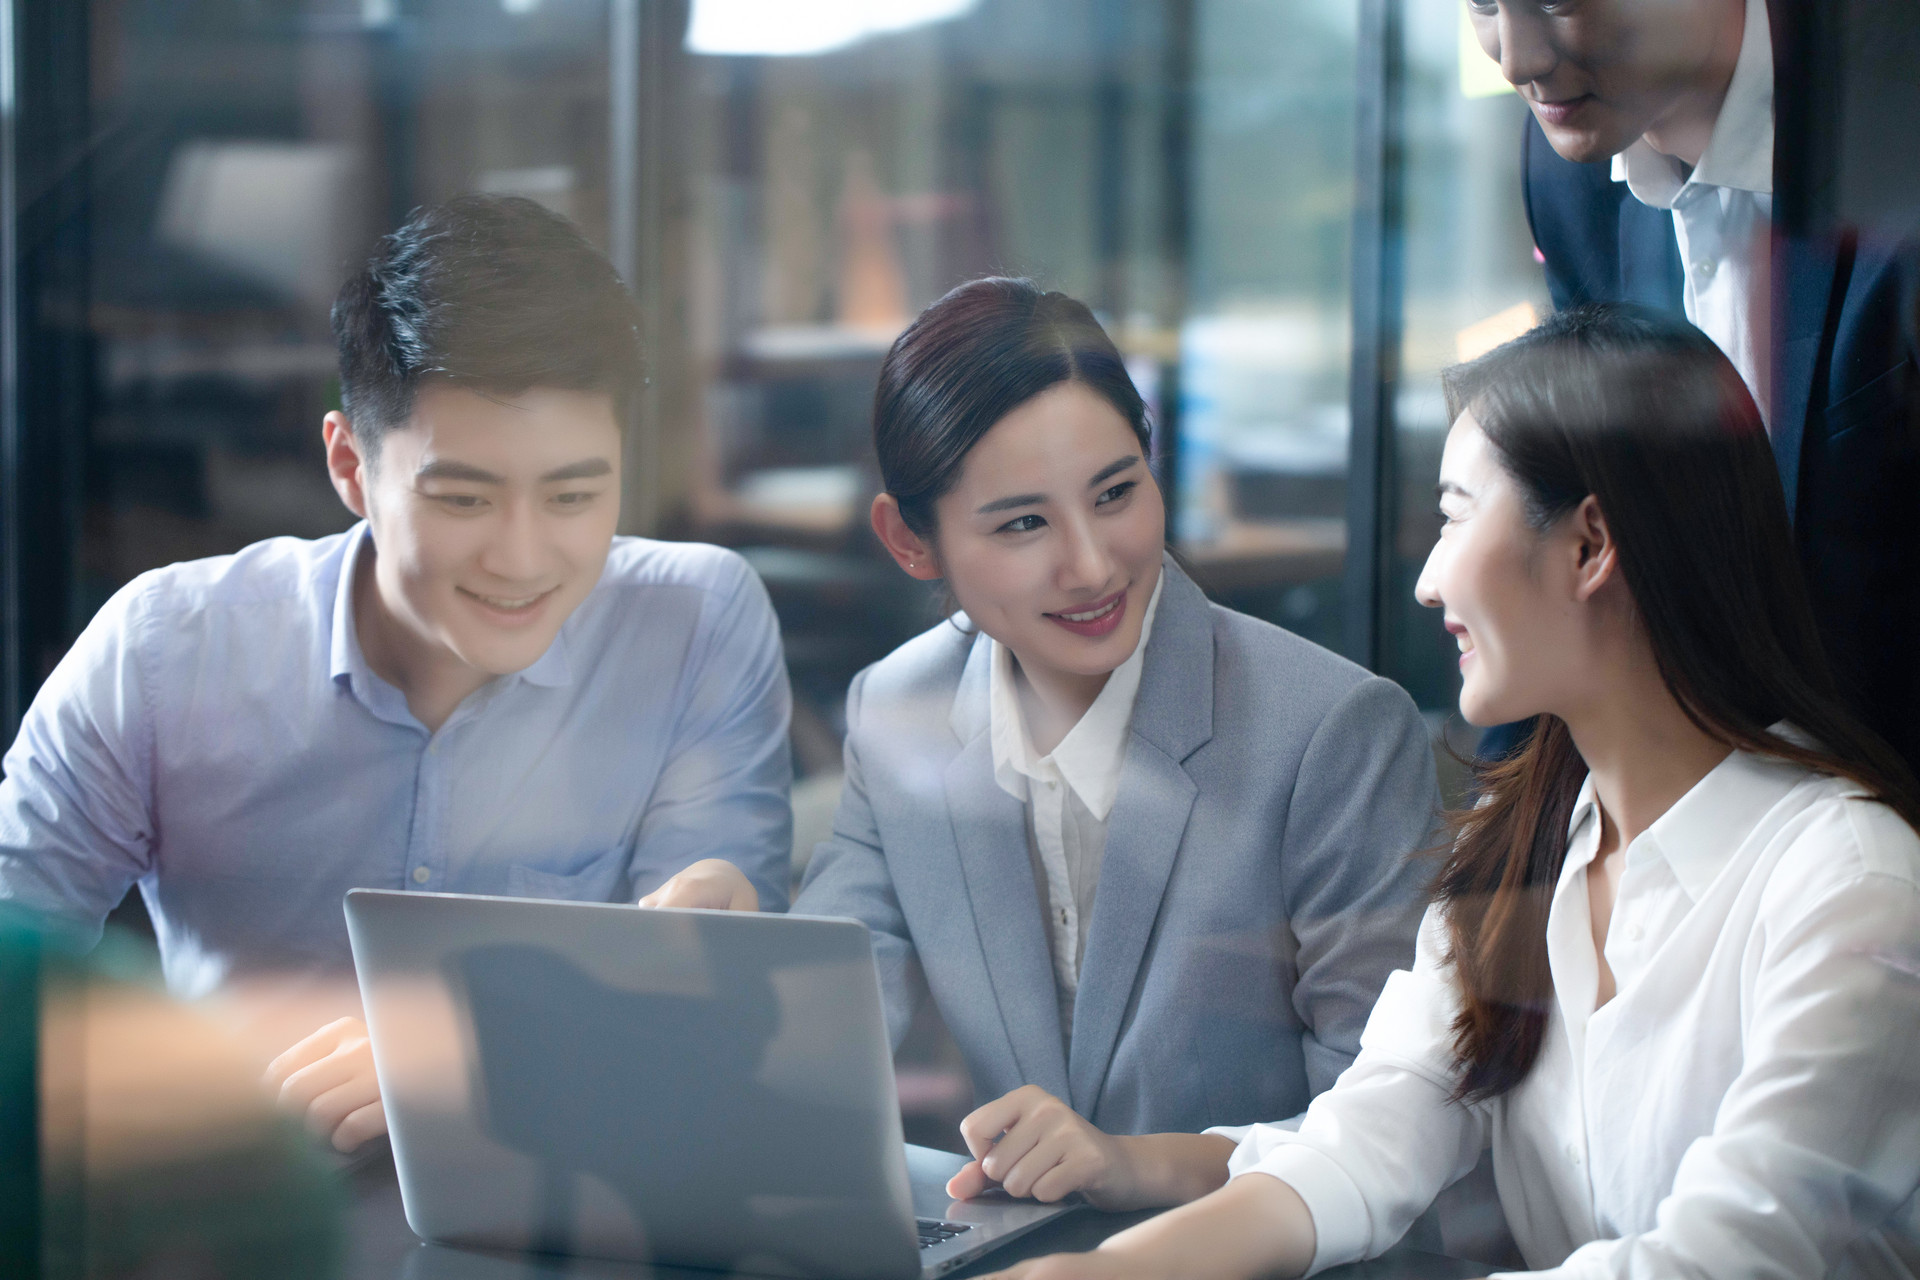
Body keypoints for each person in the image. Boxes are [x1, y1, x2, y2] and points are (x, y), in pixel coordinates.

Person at [981, 303, 1920, 1280]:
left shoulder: (1851, 885)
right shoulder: (1527, 853)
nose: (1428, 581)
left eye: (1455, 514)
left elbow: (1717, 1262)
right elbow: (1364, 1138)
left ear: (1590, 544)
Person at [0, 195, 794, 1151]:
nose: (523, 556)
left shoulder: (695, 621)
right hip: (239, 1208)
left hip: (570, 1207)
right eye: (463, 496)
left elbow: (710, 1015)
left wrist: (477, 1053)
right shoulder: (166, 651)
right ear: (349, 465)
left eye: (575, 494)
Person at [649, 277, 1440, 1211]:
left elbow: (1396, 1125)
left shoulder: (1333, 734)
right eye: (1024, 522)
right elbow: (834, 1022)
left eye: (1116, 493)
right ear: (910, 541)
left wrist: (1133, 1163)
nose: (1093, 563)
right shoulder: (894, 709)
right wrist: (725, 968)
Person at [1478, 0, 1920, 772]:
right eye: (1482, 2)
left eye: (1556, 1)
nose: (1518, 59)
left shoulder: (1895, 120)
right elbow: (1601, 521)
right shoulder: (1565, 169)